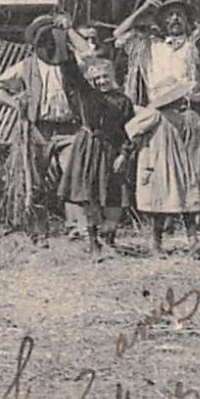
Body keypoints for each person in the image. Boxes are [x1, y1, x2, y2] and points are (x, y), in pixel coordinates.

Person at [114, 0, 200, 249]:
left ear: (187, 20)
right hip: (161, 117)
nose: (175, 19)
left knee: (191, 176)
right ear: (162, 21)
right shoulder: (149, 47)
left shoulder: (195, 45)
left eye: (179, 14)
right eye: (169, 15)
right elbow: (118, 35)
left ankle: (193, 240)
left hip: (190, 113)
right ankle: (156, 242)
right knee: (160, 177)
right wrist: (143, 6)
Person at [0, 14, 83, 239]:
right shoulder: (26, 66)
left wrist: (70, 30)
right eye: (43, 38)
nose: (48, 42)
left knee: (75, 177)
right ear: (35, 42)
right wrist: (16, 104)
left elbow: (91, 54)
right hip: (40, 130)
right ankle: (38, 233)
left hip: (70, 128)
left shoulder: (72, 62)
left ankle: (77, 228)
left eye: (52, 37)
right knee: (35, 181)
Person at [54, 40, 134, 260]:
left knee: (114, 195)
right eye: (96, 78)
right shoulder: (88, 96)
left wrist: (124, 154)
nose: (101, 81)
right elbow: (72, 74)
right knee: (89, 195)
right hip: (89, 147)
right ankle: (93, 244)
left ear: (112, 76)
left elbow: (129, 131)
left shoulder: (123, 101)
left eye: (105, 77)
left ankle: (109, 240)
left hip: (112, 150)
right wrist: (65, 48)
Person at [125, 78, 200, 256]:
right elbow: (132, 129)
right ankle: (156, 244)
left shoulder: (180, 116)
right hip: (157, 162)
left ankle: (193, 240)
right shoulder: (153, 114)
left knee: (186, 200)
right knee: (159, 205)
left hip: (177, 161)